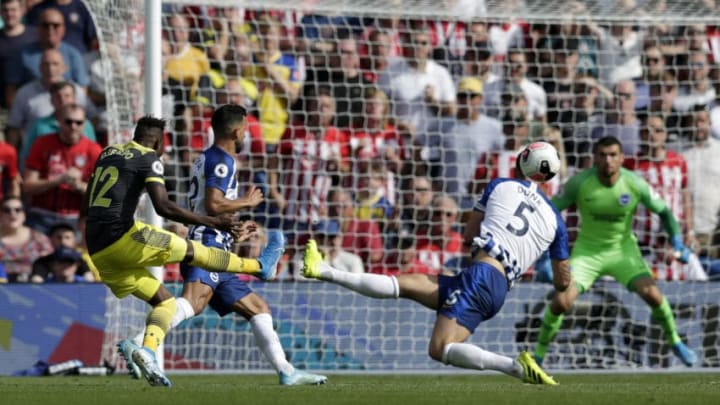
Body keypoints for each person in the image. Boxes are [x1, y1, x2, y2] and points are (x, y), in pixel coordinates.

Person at [301, 143, 572, 385]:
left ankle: (515, 367)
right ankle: (323, 270)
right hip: (495, 285)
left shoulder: (499, 185)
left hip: (481, 274)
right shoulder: (556, 221)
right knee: (405, 283)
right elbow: (562, 282)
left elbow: (468, 235)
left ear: (522, 160)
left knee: (441, 348)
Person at [81, 115, 285, 387]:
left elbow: (88, 199)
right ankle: (259, 266)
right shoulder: (150, 158)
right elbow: (163, 206)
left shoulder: (108, 152)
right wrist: (214, 222)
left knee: (166, 302)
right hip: (123, 237)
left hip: (97, 250)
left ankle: (147, 350)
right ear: (159, 141)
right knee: (194, 251)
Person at [131, 104, 327, 385]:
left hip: (217, 240)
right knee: (192, 302)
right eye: (246, 128)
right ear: (237, 131)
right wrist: (246, 202)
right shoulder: (223, 160)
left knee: (258, 308)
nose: (247, 133)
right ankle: (141, 345)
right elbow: (213, 203)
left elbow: (209, 206)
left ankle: (286, 370)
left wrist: (233, 228)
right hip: (206, 243)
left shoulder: (206, 157)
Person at [532, 136, 698, 367]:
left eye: (612, 155)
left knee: (653, 295)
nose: (608, 160)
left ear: (621, 158)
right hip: (588, 252)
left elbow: (665, 213)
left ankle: (676, 342)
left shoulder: (634, 183)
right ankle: (539, 356)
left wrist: (677, 241)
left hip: (623, 252)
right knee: (561, 302)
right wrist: (543, 256)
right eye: (602, 155)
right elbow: (548, 212)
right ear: (594, 158)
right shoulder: (579, 183)